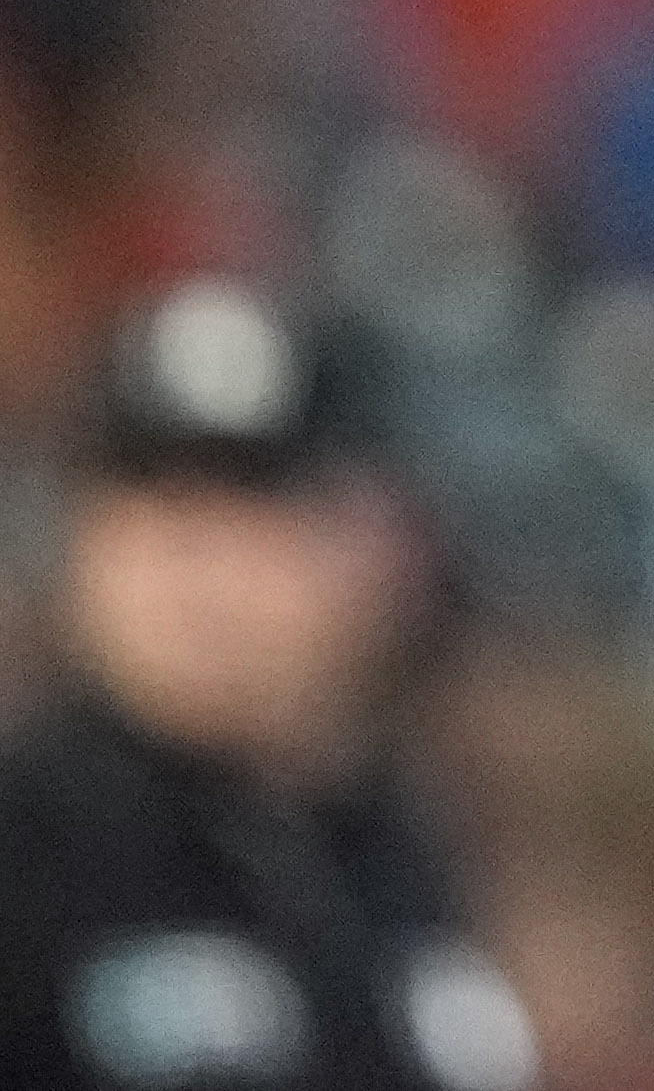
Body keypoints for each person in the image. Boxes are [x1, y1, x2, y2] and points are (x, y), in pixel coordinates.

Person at [0, 278, 532, 1091]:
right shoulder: (29, 849)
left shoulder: (398, 852)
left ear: (375, 544)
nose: (197, 566)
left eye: (256, 503)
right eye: (152, 499)